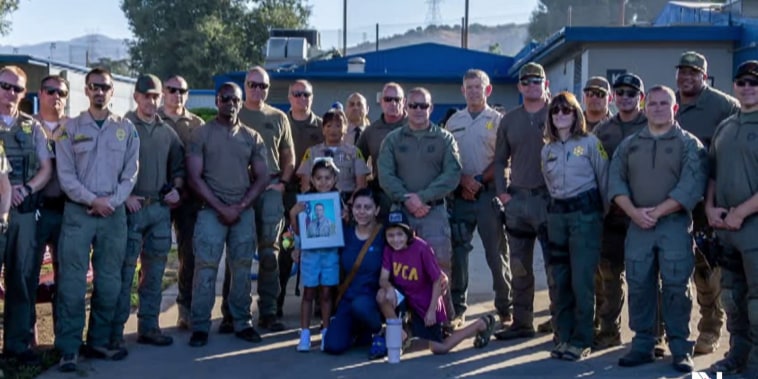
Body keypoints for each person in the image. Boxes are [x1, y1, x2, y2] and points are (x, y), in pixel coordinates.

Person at [609, 85, 706, 373]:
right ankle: (642, 344)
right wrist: (633, 212)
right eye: (653, 103)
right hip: (637, 224)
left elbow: (692, 185)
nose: (658, 108)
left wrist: (657, 212)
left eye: (665, 103)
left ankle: (680, 347)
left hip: (673, 224)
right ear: (644, 106)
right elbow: (615, 181)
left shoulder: (689, 144)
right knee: (639, 284)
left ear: (675, 108)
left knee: (676, 286)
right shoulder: (630, 144)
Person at [55, 67, 139, 371]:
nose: (99, 91)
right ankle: (69, 348)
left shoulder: (127, 130)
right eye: (94, 86)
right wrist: (93, 200)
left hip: (113, 214)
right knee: (73, 284)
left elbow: (131, 174)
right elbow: (65, 174)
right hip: (79, 213)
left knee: (109, 283)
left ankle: (98, 343)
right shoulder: (69, 128)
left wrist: (111, 202)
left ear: (112, 91)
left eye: (105, 86)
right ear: (86, 90)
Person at [186, 82, 269, 347]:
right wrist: (221, 207)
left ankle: (241, 321)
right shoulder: (202, 134)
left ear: (241, 102)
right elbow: (194, 177)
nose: (230, 103)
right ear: (216, 101)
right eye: (225, 99)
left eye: (235, 99)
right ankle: (200, 325)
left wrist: (240, 207)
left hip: (242, 211)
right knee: (206, 268)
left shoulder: (251, 136)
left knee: (242, 268)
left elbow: (262, 176)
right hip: (210, 210)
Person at [674, 51, 739, 355]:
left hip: (708, 201)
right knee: (673, 269)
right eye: (682, 72)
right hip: (673, 200)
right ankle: (668, 332)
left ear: (704, 75)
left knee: (707, 268)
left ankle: (710, 328)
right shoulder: (668, 104)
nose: (686, 78)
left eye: (693, 73)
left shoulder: (724, 105)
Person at [219, 66, 294, 333]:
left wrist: (283, 183)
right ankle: (231, 312)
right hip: (239, 189)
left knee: (269, 252)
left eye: (263, 86)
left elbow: (288, 156)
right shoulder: (233, 115)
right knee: (237, 252)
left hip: (271, 188)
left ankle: (269, 311)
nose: (257, 90)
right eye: (253, 85)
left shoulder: (278, 117)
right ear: (245, 85)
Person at [377, 86, 461, 324]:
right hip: (401, 214)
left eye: (423, 105)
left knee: (440, 266)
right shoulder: (393, 140)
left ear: (431, 108)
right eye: (413, 105)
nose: (418, 110)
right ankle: (404, 320)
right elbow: (385, 175)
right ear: (406, 107)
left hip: (433, 211)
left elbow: (452, 174)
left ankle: (443, 320)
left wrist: (422, 198)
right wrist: (407, 199)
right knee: (399, 268)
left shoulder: (445, 138)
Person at [112, 74, 184, 348]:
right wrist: (126, 194)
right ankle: (115, 332)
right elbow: (109, 167)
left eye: (155, 96)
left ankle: (149, 327)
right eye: (146, 96)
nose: (151, 101)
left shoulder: (167, 131)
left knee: (154, 273)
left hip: (159, 211)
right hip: (131, 209)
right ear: (136, 97)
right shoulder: (122, 127)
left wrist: (176, 189)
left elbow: (179, 167)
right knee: (125, 272)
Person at [541, 92, 608, 361]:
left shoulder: (591, 143)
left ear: (576, 114)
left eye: (566, 110)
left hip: (585, 216)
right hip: (558, 216)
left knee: (582, 281)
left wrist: (600, 216)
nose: (560, 115)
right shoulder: (547, 149)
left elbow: (604, 180)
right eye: (555, 111)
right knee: (560, 280)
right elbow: (548, 183)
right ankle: (564, 337)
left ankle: (582, 339)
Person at [492, 62, 556, 340]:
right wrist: (502, 192)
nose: (531, 85)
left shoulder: (559, 113)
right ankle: (522, 322)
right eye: (526, 81)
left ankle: (559, 320)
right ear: (519, 87)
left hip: (549, 200)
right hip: (517, 200)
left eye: (536, 80)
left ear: (546, 84)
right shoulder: (509, 120)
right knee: (519, 266)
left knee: (556, 266)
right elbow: (498, 160)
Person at [375, 210, 496, 354]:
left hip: (426, 301)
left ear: (408, 233)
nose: (395, 239)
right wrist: (388, 287)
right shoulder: (389, 250)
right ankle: (399, 332)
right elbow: (383, 278)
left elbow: (437, 279)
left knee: (439, 347)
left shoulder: (421, 248)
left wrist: (432, 310)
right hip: (406, 298)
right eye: (391, 235)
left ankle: (480, 324)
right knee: (382, 295)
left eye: (400, 234)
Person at [704, 60, 758, 376]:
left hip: (752, 228)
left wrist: (742, 211)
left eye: (754, 83)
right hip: (725, 229)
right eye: (743, 82)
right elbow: (712, 173)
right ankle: (736, 356)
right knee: (732, 298)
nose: (748, 88)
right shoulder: (726, 126)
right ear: (734, 86)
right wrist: (710, 207)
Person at [446, 69, 511, 329]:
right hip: (461, 198)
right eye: (469, 87)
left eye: (478, 86)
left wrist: (479, 181)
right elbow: (449, 160)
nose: (474, 91)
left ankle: (506, 308)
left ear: (488, 90)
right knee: (458, 255)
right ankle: (457, 309)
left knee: (496, 254)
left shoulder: (497, 121)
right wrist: (463, 181)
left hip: (488, 195)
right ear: (462, 90)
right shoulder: (453, 122)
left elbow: (502, 159)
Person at [0, 65, 53, 365]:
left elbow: (46, 168)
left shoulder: (33, 127)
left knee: (21, 279)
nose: (11, 93)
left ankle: (17, 346)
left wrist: (27, 189)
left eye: (17, 88)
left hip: (23, 213)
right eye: (5, 86)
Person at [591, 73, 648, 350]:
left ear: (641, 97)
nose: (625, 97)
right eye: (620, 92)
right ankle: (609, 330)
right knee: (610, 277)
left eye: (631, 92)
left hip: (645, 215)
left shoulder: (652, 125)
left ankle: (652, 335)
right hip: (612, 215)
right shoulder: (603, 130)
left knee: (647, 277)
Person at [158, 74, 205, 330]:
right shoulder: (151, 119)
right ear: (164, 92)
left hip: (188, 199)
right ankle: (149, 312)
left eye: (182, 90)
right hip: (156, 197)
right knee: (154, 254)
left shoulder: (197, 124)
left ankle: (184, 307)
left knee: (190, 254)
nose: (177, 94)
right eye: (172, 89)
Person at [322, 188, 385, 356]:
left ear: (377, 210)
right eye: (358, 207)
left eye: (367, 207)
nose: (362, 212)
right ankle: (361, 332)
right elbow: (320, 246)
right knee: (332, 346)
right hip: (348, 300)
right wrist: (298, 250)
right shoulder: (344, 233)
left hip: (373, 300)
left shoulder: (385, 235)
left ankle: (381, 331)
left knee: (361, 306)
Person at [31, 74, 69, 345]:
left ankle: (64, 339)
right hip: (34, 210)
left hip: (67, 210)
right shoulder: (26, 126)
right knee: (27, 274)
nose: (56, 96)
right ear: (40, 93)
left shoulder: (76, 126)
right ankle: (26, 340)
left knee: (66, 276)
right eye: (51, 91)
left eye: (62, 93)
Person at [290, 158, 343, 351]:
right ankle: (304, 333)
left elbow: (342, 229)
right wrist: (293, 214)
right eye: (319, 178)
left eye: (327, 178)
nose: (323, 182)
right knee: (309, 293)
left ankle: (326, 331)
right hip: (310, 255)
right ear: (311, 179)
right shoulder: (306, 202)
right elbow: (297, 231)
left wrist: (344, 218)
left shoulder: (338, 201)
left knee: (327, 293)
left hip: (331, 254)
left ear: (334, 179)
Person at [280, 79, 323, 316]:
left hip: (314, 194)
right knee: (286, 245)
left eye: (306, 94)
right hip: (286, 193)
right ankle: (275, 301)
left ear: (312, 97)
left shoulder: (321, 126)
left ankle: (317, 300)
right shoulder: (279, 120)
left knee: (316, 246)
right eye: (296, 94)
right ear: (289, 97)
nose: (301, 98)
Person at [357, 82, 408, 219]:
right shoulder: (371, 131)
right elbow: (357, 159)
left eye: (397, 99)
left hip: (412, 195)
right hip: (383, 195)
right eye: (388, 99)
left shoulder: (415, 126)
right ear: (381, 102)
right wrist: (361, 190)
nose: (392, 103)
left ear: (404, 102)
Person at [297, 108, 370, 203]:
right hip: (318, 201)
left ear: (345, 129)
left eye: (338, 126)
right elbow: (305, 185)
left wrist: (350, 204)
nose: (333, 130)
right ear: (323, 130)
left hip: (347, 200)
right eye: (329, 126)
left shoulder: (354, 152)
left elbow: (361, 184)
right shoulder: (312, 152)